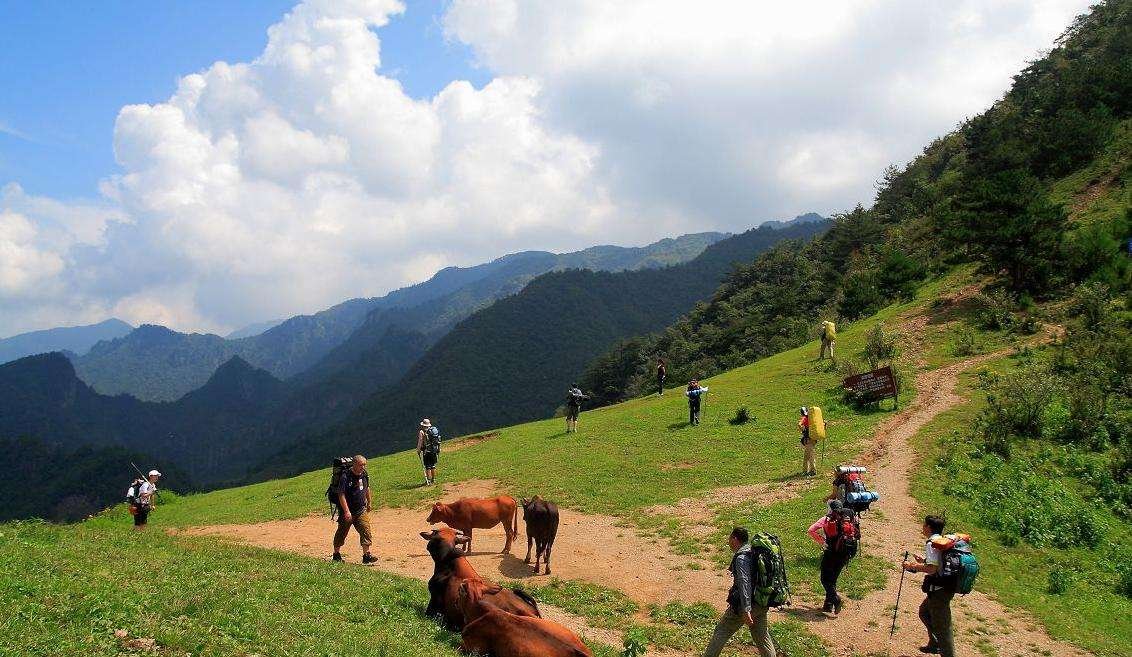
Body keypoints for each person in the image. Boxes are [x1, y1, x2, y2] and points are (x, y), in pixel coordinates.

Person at [702, 527, 776, 657]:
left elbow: (744, 583)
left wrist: (746, 609)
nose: (728, 541)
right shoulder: (753, 552)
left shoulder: (741, 558)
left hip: (746, 606)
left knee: (722, 630)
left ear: (735, 539)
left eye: (730, 538)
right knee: (762, 637)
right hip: (761, 602)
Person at [903, 515, 954, 657]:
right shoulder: (941, 540)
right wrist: (924, 560)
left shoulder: (932, 543)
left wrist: (912, 566)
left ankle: (946, 651)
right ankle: (934, 644)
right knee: (924, 612)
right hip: (944, 587)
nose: (922, 526)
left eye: (924, 524)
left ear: (929, 527)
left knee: (943, 627)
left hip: (939, 590)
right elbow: (938, 563)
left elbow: (932, 569)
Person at [807, 500, 855, 614]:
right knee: (833, 579)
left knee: (824, 579)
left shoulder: (827, 519)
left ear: (830, 509)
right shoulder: (848, 518)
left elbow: (811, 530)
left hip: (831, 553)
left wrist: (823, 542)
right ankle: (828, 606)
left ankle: (835, 600)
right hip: (845, 554)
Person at [333, 454, 377, 564]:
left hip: (360, 509)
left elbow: (367, 488)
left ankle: (366, 555)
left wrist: (369, 502)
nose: (363, 467)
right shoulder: (345, 476)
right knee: (342, 532)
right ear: (354, 464)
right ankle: (336, 554)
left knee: (366, 530)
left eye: (364, 465)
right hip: (347, 512)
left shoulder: (364, 474)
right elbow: (341, 495)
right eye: (361, 465)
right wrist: (347, 511)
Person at [417, 419, 440, 485]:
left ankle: (428, 480)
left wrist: (418, 450)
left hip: (426, 451)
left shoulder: (422, 432)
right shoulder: (433, 430)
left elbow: (420, 442)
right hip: (433, 450)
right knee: (433, 465)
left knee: (427, 466)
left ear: (423, 425)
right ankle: (433, 479)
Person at [799, 407, 816, 476]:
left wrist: (802, 430)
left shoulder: (805, 418)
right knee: (807, 455)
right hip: (813, 439)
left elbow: (799, 424)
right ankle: (805, 470)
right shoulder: (813, 418)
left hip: (808, 440)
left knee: (810, 456)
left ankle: (812, 471)